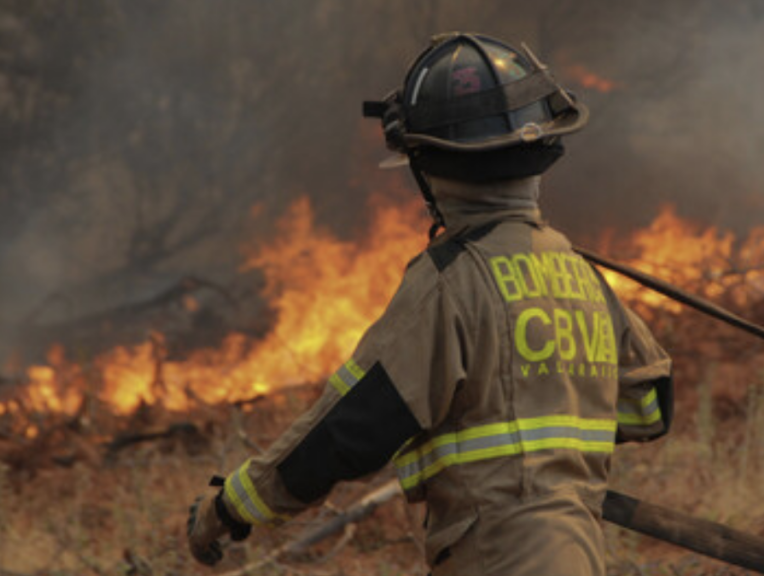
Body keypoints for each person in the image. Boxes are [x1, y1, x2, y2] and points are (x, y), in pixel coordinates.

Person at [187, 32, 673, 576]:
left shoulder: (450, 283)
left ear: (427, 164)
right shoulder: (580, 275)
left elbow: (350, 430)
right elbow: (649, 406)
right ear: (542, 149)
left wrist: (231, 506)